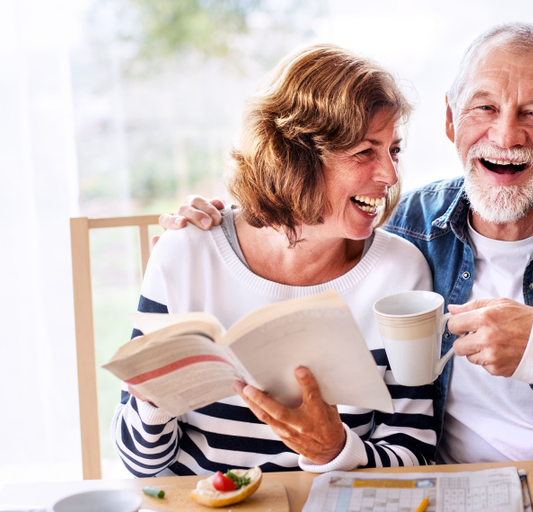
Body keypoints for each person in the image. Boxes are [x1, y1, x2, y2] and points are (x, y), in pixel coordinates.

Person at [167, 22, 533, 463]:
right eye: (485, 107)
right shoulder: (403, 231)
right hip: (438, 492)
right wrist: (225, 219)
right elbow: (303, 229)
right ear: (452, 122)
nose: (506, 135)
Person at [113, 44, 437, 477]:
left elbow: (415, 452)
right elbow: (139, 464)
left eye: (393, 150)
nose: (390, 175)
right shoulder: (186, 253)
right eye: (365, 152)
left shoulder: (401, 272)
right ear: (296, 157)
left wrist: (335, 450)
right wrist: (154, 396)